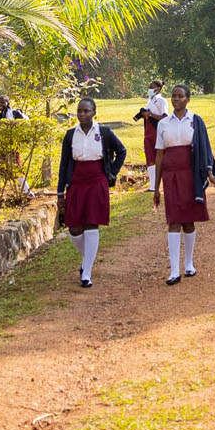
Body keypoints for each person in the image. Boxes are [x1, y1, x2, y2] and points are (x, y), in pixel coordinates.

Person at [56, 92, 126, 288]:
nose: (82, 114)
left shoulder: (103, 132)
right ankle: (88, 258)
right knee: (75, 228)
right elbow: (64, 164)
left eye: (86, 111)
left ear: (94, 112)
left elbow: (122, 151)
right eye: (79, 111)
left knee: (91, 223)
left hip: (97, 179)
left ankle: (86, 273)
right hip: (77, 180)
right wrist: (60, 191)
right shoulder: (71, 134)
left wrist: (111, 172)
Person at [153, 84, 215, 283]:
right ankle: (174, 270)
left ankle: (189, 263)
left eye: (180, 96)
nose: (176, 99)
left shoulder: (196, 121)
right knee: (173, 220)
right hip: (171, 174)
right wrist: (155, 187)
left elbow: (205, 149)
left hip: (190, 173)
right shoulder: (163, 124)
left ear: (188, 99)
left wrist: (209, 173)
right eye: (173, 96)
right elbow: (159, 154)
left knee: (188, 220)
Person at [136, 76, 171, 192]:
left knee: (160, 156)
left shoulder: (162, 101)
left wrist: (150, 115)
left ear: (158, 89)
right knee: (149, 157)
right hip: (148, 131)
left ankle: (165, 182)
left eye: (152, 87)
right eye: (149, 87)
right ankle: (152, 185)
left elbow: (164, 117)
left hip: (157, 130)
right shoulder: (150, 100)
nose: (149, 89)